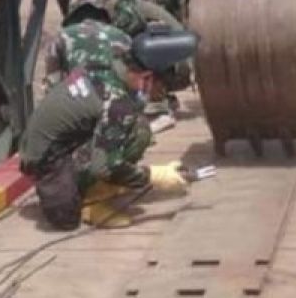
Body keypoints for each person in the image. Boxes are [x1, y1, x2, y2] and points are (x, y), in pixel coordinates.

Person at [20, 25, 198, 230]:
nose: (159, 95)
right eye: (161, 89)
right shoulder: (117, 102)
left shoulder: (112, 68)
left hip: (61, 137)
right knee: (66, 218)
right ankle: (86, 198)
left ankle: (94, 187)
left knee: (139, 130)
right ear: (147, 77)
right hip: (43, 156)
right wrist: (154, 176)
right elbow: (103, 165)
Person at [46, 0, 186, 131]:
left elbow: (53, 88)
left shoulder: (125, 18)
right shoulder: (116, 29)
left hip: (182, 65)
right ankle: (157, 101)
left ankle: (157, 109)